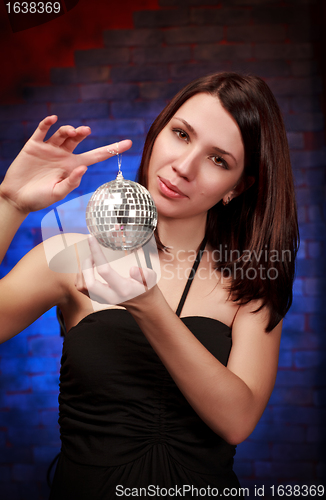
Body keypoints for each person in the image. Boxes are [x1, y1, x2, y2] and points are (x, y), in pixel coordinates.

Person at [0, 72, 299, 499]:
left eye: (219, 160)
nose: (184, 166)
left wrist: (148, 306)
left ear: (239, 187)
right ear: (158, 132)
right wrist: (10, 203)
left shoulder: (251, 283)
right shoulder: (72, 255)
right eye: (181, 134)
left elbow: (237, 422)